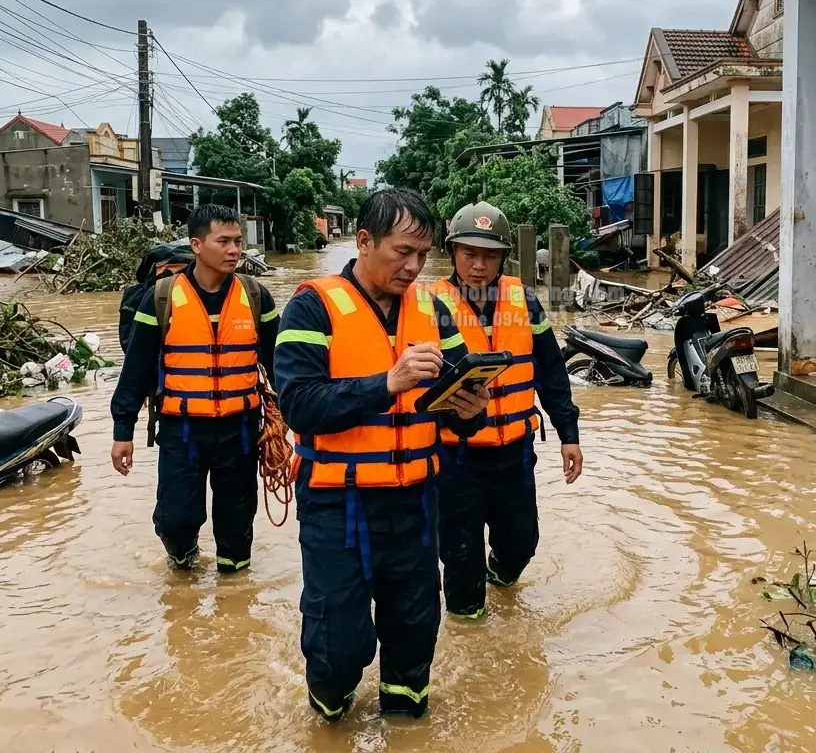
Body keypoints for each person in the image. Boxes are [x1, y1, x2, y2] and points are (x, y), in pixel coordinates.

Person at [274, 188, 490, 722]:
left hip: (415, 502)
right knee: (338, 644)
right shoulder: (311, 306)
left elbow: (458, 412)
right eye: (403, 252)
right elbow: (298, 404)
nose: (414, 267)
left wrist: (470, 409)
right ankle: (330, 713)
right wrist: (386, 383)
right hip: (338, 506)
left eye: (423, 254)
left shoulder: (433, 310)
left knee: (415, 631)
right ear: (365, 241)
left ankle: (405, 723)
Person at [428, 202, 583, 620]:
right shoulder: (428, 305)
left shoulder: (525, 301)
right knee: (461, 562)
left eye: (490, 255)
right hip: (454, 458)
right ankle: (472, 636)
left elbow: (551, 372)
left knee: (521, 545)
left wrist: (569, 434)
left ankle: (499, 577)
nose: (479, 266)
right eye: (469, 254)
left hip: (514, 453)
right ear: (452, 251)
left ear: (503, 257)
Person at [110, 204, 280, 573]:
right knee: (176, 519)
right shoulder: (162, 297)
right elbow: (136, 369)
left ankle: (233, 590)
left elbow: (279, 366)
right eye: (224, 241)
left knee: (237, 525)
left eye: (238, 241)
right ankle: (183, 560)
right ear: (197, 245)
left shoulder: (256, 296)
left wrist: (296, 422)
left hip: (240, 431)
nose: (234, 250)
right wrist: (123, 432)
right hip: (182, 431)